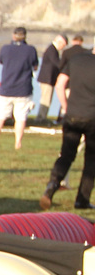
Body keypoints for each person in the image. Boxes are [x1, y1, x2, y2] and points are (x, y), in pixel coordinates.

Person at [47, 39, 95, 210]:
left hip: (73, 115)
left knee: (66, 155)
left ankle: (51, 187)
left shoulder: (76, 59)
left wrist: (66, 106)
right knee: (91, 161)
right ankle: (82, 199)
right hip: (92, 118)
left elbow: (60, 84)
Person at [0, 27, 39, 150]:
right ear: (25, 37)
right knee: (21, 118)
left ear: (13, 36)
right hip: (23, 89)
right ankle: (18, 143)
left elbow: (1, 61)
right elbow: (35, 66)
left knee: (0, 117)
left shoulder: (5, 49)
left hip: (6, 88)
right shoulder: (31, 50)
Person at [36, 34, 68, 122]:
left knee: (47, 98)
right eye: (63, 45)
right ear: (60, 42)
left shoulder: (52, 50)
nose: (62, 48)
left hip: (48, 79)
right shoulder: (52, 50)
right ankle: (41, 118)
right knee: (46, 99)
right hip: (46, 79)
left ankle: (42, 117)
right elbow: (57, 63)